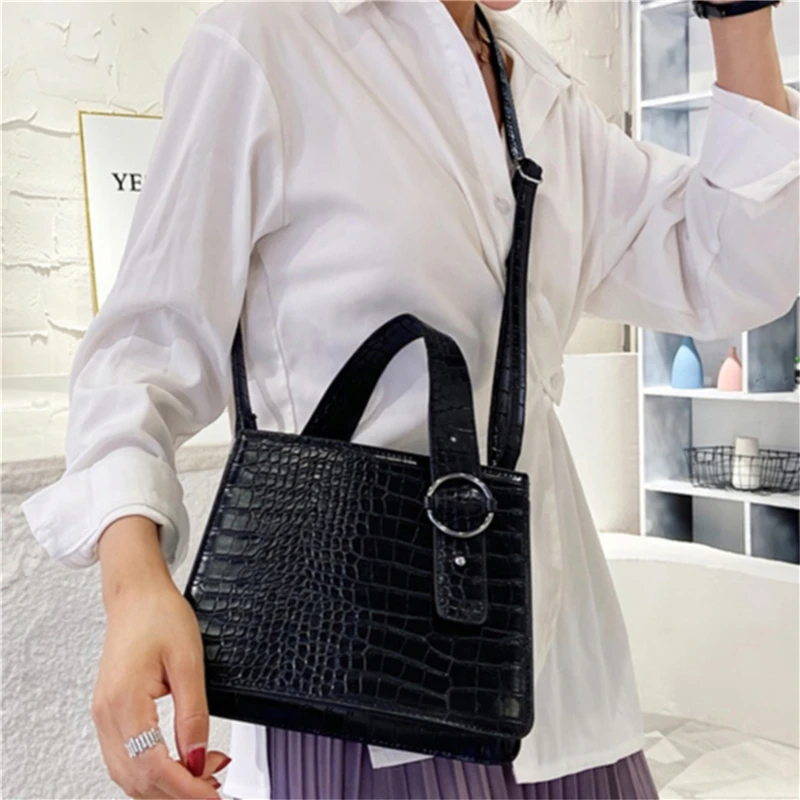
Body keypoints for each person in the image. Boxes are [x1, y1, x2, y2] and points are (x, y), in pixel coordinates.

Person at [22, 0, 799, 798]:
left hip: (561, 681)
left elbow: (731, 265)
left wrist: (739, 12)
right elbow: (143, 354)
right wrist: (134, 589)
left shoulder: (538, 90)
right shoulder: (268, 43)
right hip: (361, 680)